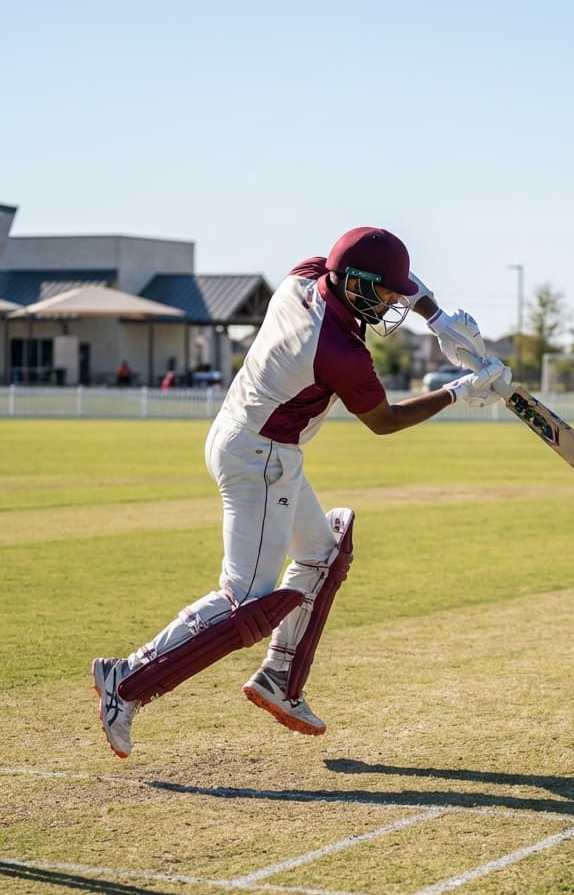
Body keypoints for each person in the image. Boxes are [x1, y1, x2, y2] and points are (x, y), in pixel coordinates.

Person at [92, 226, 508, 758]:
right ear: (354, 283)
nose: (390, 303)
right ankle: (126, 681)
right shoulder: (337, 349)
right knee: (246, 600)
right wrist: (458, 390)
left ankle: (280, 679)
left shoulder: (306, 275)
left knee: (323, 552)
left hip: (245, 438)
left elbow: (385, 274)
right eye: (384, 293)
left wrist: (438, 319)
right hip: (260, 459)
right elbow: (383, 421)